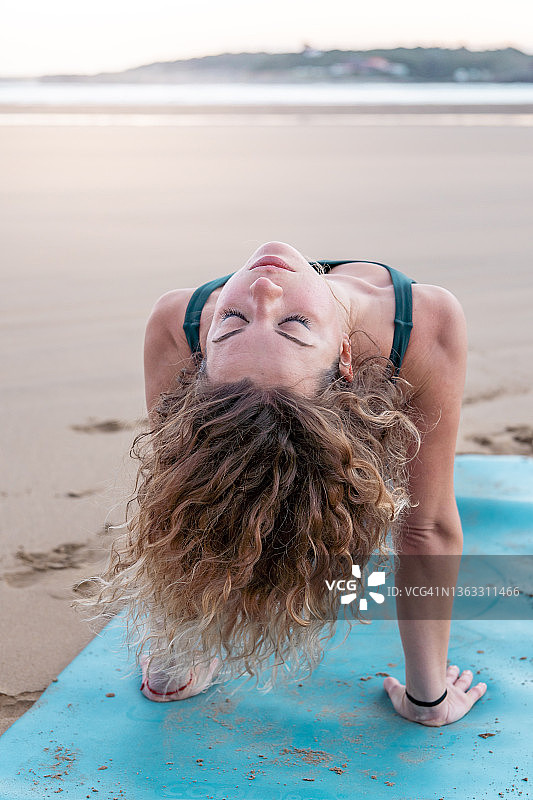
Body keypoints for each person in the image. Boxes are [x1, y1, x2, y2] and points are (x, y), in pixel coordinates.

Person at [91, 241, 487, 728]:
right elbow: (179, 503)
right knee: (206, 490)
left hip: (371, 364)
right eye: (231, 321)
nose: (261, 289)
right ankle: (180, 662)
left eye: (234, 318)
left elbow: (424, 523)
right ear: (200, 373)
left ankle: (179, 664)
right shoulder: (182, 323)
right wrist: (431, 702)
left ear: (347, 354)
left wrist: (428, 696)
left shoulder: (422, 325)